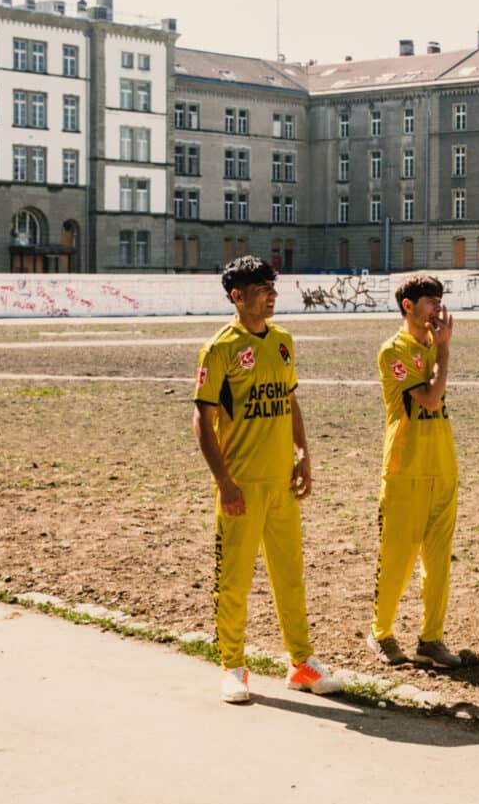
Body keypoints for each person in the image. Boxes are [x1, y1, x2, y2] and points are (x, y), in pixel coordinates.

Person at [193, 256, 343, 704]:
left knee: (290, 576)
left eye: (272, 285)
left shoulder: (282, 341)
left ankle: (301, 663)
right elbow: (202, 420)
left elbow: (289, 402)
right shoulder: (219, 349)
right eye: (261, 287)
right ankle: (233, 667)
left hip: (281, 481)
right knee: (234, 580)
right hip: (241, 483)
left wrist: (302, 455)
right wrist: (224, 482)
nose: (271, 293)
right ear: (237, 296)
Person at [368, 273, 462, 669]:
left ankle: (431, 638)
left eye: (439, 299)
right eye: (429, 300)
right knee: (398, 558)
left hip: (442, 465)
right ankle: (381, 632)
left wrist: (439, 349)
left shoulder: (431, 346)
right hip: (405, 468)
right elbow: (428, 398)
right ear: (407, 305)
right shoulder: (394, 350)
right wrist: (443, 352)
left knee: (438, 561)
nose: (436, 307)